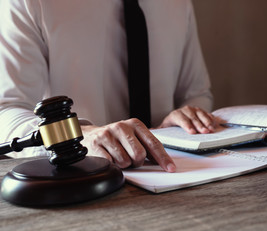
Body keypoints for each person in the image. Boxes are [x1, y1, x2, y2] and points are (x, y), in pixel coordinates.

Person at [0, 0, 215, 172]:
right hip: (78, 186)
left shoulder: (178, 3)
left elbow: (196, 93)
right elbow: (6, 110)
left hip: (172, 176)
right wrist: (77, 137)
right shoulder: (28, 2)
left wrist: (184, 123)